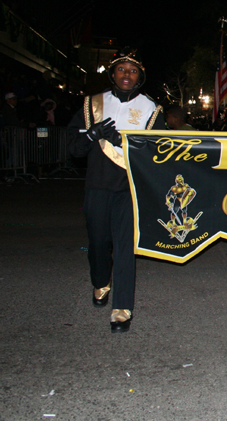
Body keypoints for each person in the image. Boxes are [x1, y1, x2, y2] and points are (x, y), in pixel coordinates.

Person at [67, 52, 164, 333]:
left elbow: (157, 153)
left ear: (140, 76)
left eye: (132, 70)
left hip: (131, 188)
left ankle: (122, 308)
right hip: (97, 185)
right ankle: (101, 281)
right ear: (112, 74)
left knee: (124, 247)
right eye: (121, 69)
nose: (126, 74)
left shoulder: (151, 109)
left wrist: (122, 143)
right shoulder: (92, 104)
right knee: (98, 242)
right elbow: (73, 148)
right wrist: (92, 134)